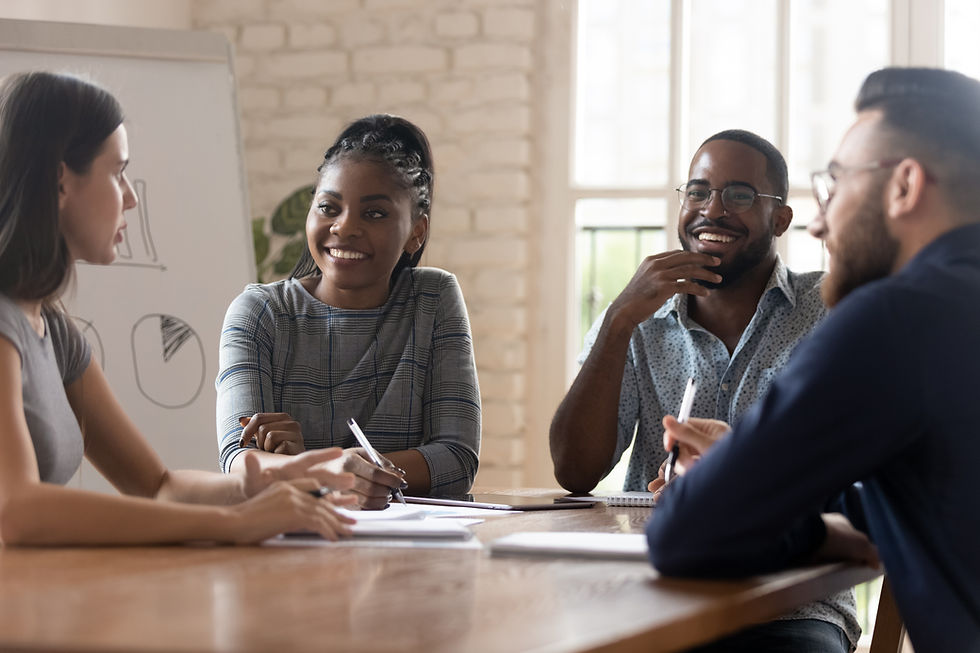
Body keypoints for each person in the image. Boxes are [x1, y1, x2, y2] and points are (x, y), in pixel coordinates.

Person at [649, 67, 980, 653]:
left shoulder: (895, 319)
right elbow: (914, 500)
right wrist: (749, 463)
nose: (820, 222)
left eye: (836, 183)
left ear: (904, 186)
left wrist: (725, 486)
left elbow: (685, 535)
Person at [0, 71, 358, 546]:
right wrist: (233, 523)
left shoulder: (53, 330)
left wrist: (251, 488)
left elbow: (156, 486)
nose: (130, 197)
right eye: (117, 172)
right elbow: (18, 511)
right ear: (60, 180)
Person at [550, 130, 859, 650]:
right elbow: (575, 472)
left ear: (780, 220)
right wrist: (619, 320)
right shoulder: (638, 321)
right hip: (660, 586)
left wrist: (733, 488)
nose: (712, 210)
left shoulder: (830, 311)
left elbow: (857, 482)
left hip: (790, 598)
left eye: (739, 195)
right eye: (697, 191)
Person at [216, 115, 481, 510]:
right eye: (328, 207)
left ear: (417, 232)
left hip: (411, 553)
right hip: (290, 544)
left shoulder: (433, 298)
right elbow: (237, 462)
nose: (344, 227)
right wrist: (336, 468)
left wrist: (332, 469)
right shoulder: (260, 314)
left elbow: (458, 458)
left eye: (374, 214)